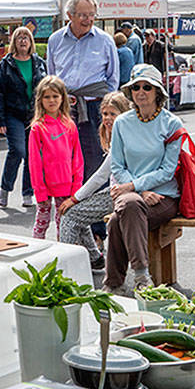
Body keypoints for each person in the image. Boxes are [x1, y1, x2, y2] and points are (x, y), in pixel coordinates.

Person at [103, 63, 182, 293]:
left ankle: (114, 283)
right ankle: (140, 275)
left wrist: (134, 186)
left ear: (158, 92)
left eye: (147, 87)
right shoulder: (121, 123)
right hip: (131, 195)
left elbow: (167, 171)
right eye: (136, 87)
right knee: (128, 207)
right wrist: (138, 191)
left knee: (120, 219)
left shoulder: (172, 123)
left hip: (163, 196)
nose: (141, 92)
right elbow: (117, 165)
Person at [46, 0, 118, 183]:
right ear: (70, 15)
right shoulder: (55, 40)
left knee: (95, 155)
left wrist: (107, 109)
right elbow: (51, 75)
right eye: (83, 15)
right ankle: (69, 195)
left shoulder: (105, 40)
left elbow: (113, 78)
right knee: (64, 155)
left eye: (92, 15)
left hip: (94, 106)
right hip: (65, 107)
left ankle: (94, 197)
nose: (89, 20)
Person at [59, 92, 132, 271]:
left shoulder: (123, 136)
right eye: (105, 114)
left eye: (112, 114)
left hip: (121, 193)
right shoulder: (119, 133)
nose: (107, 119)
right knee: (78, 214)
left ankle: (62, 269)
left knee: (69, 216)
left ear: (123, 114)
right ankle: (94, 257)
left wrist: (74, 198)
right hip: (118, 191)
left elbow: (101, 175)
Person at [0, 26, 46, 209]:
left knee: (33, 154)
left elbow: (46, 88)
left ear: (31, 42)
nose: (23, 40)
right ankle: (5, 189)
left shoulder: (38, 63)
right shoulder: (5, 65)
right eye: (19, 37)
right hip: (12, 114)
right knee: (18, 151)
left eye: (26, 37)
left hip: (34, 115)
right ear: (14, 42)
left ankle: (28, 192)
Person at [28, 75, 82, 240]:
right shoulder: (37, 128)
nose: (51, 100)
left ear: (62, 98)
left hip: (66, 187)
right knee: (42, 223)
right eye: (47, 97)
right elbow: (34, 163)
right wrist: (40, 191)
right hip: (45, 187)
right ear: (40, 100)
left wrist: (76, 188)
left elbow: (77, 159)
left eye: (55, 96)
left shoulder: (69, 125)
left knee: (64, 225)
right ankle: (34, 256)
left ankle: (62, 257)